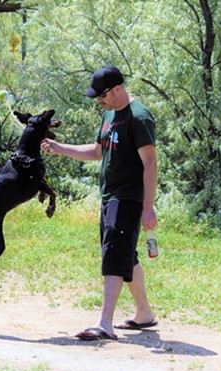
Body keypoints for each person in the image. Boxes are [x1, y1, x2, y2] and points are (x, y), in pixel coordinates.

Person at [41, 66, 158, 341]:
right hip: (109, 195)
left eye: (101, 95)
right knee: (125, 255)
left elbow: (150, 162)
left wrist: (147, 206)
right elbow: (98, 151)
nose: (98, 101)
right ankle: (144, 314)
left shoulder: (139, 117)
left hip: (128, 197)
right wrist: (60, 148)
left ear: (118, 88)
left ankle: (105, 322)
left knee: (114, 254)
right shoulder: (108, 116)